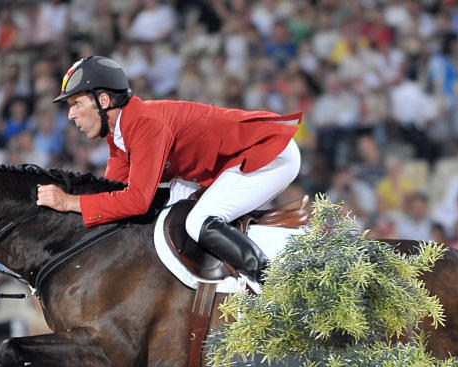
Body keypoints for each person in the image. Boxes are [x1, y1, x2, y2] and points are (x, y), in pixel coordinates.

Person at [36, 56, 301, 286]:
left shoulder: (144, 124)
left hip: (266, 154)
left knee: (198, 221)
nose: (71, 115)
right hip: (231, 162)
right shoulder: (119, 135)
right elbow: (112, 195)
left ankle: (275, 285)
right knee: (168, 213)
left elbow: (136, 201)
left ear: (103, 100)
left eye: (76, 104)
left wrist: (69, 202)